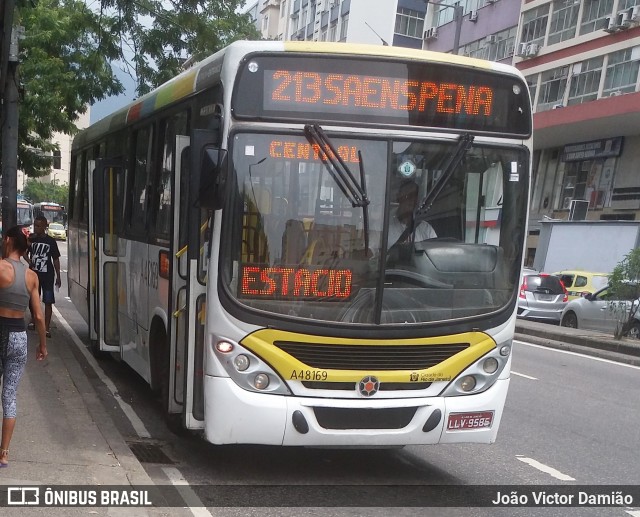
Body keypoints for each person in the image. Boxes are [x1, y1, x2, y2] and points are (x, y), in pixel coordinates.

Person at [0, 227, 47, 467]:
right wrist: (42, 344)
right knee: (9, 395)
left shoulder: (0, 267)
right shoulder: (31, 276)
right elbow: (38, 316)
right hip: (19, 337)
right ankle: (4, 453)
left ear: (8, 241)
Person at [25, 215, 61, 338]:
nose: (36, 228)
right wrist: (29, 261)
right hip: (33, 275)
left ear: (45, 226)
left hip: (48, 276)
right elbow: (24, 253)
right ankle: (33, 319)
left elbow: (55, 259)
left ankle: (46, 327)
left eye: (39, 226)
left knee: (48, 300)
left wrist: (58, 276)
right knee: (32, 300)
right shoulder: (31, 239)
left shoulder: (51, 241)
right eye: (35, 225)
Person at [388, 179, 437, 246]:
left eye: (414, 196)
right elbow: (372, 250)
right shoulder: (385, 225)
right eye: (407, 196)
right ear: (398, 198)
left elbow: (433, 252)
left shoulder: (426, 229)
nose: (411, 200)